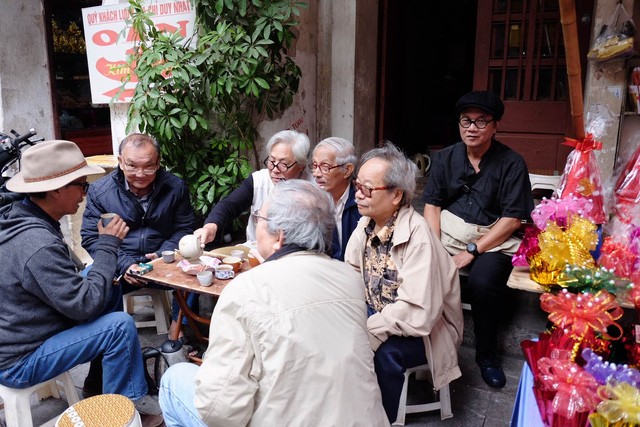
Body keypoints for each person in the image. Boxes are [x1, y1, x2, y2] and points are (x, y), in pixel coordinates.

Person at [159, 180, 389, 427]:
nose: (256, 225)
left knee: (174, 379)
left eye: (258, 219)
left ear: (280, 237)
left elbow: (220, 410)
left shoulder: (245, 289)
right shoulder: (350, 279)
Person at [0, 140, 162, 426]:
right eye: (81, 185)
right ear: (55, 189)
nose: (84, 194)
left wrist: (107, 255)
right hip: (20, 359)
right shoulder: (35, 243)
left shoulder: (24, 215)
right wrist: (109, 245)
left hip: (29, 324)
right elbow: (84, 307)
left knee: (105, 282)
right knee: (119, 327)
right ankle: (124, 410)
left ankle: (97, 382)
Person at [344, 142, 463, 423]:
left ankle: (380, 418)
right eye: (357, 185)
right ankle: (351, 405)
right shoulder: (366, 224)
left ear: (396, 195)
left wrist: (366, 330)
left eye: (367, 189)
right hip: (378, 313)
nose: (357, 195)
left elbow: (417, 313)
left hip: (426, 331)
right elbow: (349, 273)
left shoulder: (419, 237)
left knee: (385, 354)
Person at [423, 90, 534, 388]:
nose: (472, 128)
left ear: (495, 126)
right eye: (466, 121)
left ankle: (486, 356)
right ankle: (425, 345)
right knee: (421, 269)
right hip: (448, 233)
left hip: (493, 238)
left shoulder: (512, 163)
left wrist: (474, 250)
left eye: (481, 121)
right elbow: (432, 204)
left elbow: (512, 219)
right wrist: (433, 246)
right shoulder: (445, 157)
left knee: (483, 283)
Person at [80, 133, 197, 387]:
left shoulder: (175, 187)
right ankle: (99, 368)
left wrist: (164, 253)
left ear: (159, 162)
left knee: (198, 275)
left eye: (149, 166)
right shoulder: (101, 191)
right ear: (121, 161)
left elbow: (185, 228)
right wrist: (124, 264)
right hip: (120, 264)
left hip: (163, 264)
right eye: (132, 166)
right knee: (94, 285)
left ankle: (182, 343)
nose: (140, 174)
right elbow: (90, 237)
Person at [194, 129, 311, 248]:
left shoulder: (314, 190)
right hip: (256, 252)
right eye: (272, 161)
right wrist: (210, 226)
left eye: (283, 164)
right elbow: (229, 205)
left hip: (294, 256)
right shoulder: (259, 180)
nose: (275, 169)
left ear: (301, 166)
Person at [310, 137, 360, 260]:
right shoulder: (311, 203)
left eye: (325, 167)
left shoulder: (362, 201)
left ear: (347, 170)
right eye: (314, 165)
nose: (316, 173)